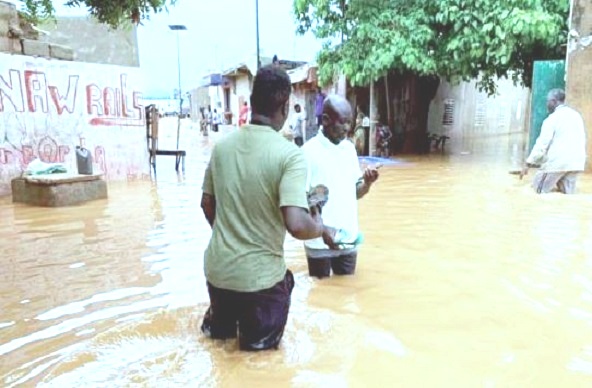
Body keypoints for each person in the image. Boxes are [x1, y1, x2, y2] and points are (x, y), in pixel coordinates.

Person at [200, 65, 331, 351]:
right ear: (285, 106)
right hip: (260, 282)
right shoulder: (289, 155)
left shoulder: (222, 148)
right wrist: (320, 227)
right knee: (260, 366)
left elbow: (207, 203)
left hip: (218, 271)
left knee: (220, 351)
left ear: (252, 101)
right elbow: (297, 224)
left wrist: (230, 236)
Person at [302, 95, 380, 278]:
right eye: (343, 122)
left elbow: (355, 193)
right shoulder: (307, 152)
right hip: (319, 243)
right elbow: (300, 200)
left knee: (345, 294)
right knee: (321, 297)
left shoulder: (349, 150)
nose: (347, 128)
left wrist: (367, 183)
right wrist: (322, 230)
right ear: (327, 120)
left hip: (348, 238)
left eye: (349, 122)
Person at [521, 88, 587, 194]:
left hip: (557, 164)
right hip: (576, 163)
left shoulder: (552, 119)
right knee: (567, 195)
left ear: (553, 101)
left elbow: (542, 145)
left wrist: (528, 163)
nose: (547, 104)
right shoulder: (576, 116)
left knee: (536, 191)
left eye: (548, 101)